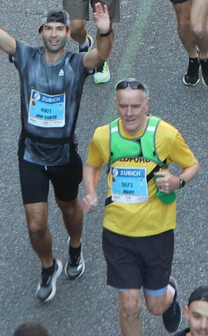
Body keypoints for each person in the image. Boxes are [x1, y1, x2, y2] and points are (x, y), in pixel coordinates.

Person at [0, 0, 112, 300]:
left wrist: (104, 31)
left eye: (60, 29)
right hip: (31, 154)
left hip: (63, 155)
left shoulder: (76, 63)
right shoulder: (26, 56)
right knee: (35, 225)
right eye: (49, 28)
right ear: (41, 32)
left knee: (68, 207)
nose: (54, 34)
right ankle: (48, 267)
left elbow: (101, 54)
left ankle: (75, 247)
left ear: (67, 32)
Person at [82, 80, 199, 336]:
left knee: (155, 306)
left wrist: (177, 181)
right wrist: (90, 192)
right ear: (116, 104)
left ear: (147, 104)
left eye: (135, 106)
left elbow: (192, 165)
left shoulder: (165, 134)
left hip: (156, 232)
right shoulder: (105, 135)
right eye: (123, 106)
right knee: (130, 305)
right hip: (118, 232)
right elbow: (92, 165)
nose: (129, 112)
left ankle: (169, 292)